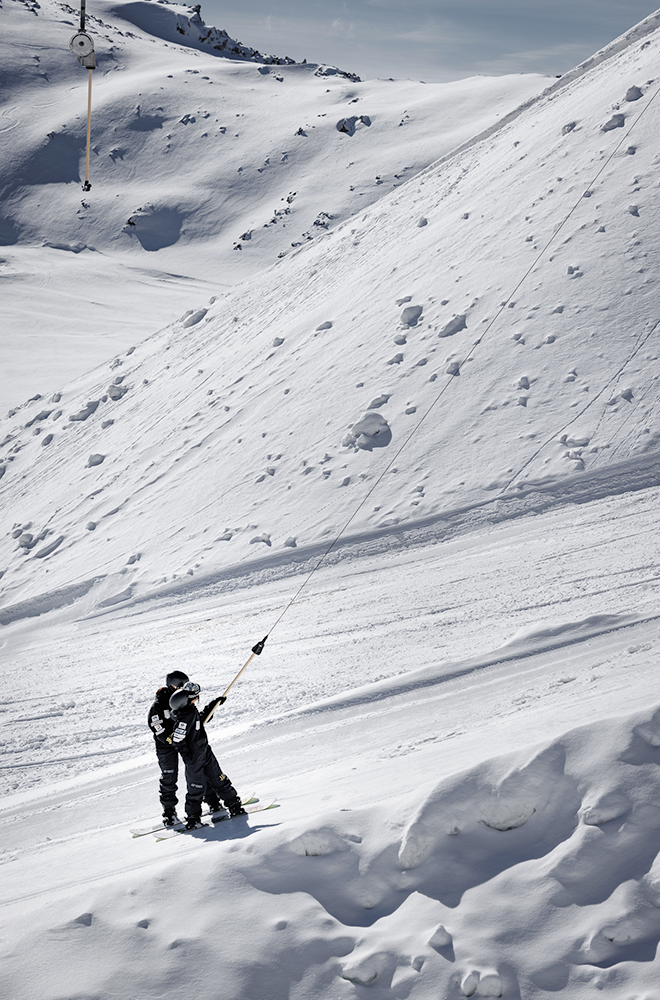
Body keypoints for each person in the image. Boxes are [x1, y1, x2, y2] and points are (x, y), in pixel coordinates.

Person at [148, 670, 222, 826]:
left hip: (185, 744)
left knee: (199, 770)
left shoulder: (184, 700)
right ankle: (169, 814)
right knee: (169, 776)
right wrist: (169, 739)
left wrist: (210, 709)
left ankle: (213, 802)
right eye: (181, 686)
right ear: (172, 685)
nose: (184, 689)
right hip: (166, 747)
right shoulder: (159, 704)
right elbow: (155, 725)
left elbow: (194, 720)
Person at [169, 680, 246, 829]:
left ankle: (234, 806)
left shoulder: (190, 711)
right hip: (195, 758)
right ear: (188, 700)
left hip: (205, 752)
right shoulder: (185, 717)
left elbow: (201, 719)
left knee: (219, 778)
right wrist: (188, 757)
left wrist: (214, 704)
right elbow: (176, 740)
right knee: (196, 788)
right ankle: (193, 819)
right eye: (195, 697)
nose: (197, 699)